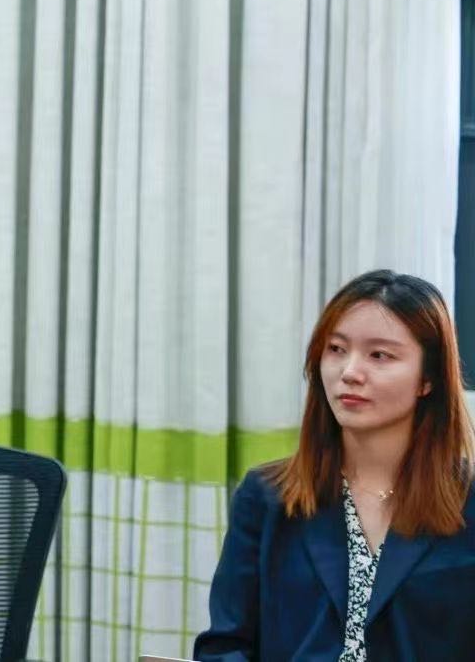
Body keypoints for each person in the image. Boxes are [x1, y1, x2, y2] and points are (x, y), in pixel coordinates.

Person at [195, 270, 475, 661]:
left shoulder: (467, 499)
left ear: (427, 379)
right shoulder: (267, 496)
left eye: (379, 355)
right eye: (336, 349)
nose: (349, 373)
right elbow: (225, 646)